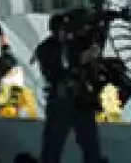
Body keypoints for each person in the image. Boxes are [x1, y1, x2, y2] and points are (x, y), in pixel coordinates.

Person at [34, 13, 103, 163]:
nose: (67, 33)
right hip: (61, 101)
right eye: (63, 29)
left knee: (91, 146)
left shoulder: (76, 44)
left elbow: (90, 66)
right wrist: (78, 60)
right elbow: (55, 71)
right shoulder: (46, 48)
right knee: (53, 146)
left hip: (80, 100)